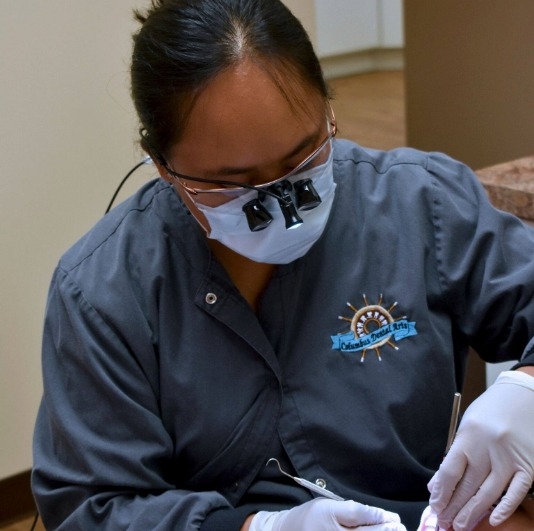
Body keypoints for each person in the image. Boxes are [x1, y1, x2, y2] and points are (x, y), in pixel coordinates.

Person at [31, 1, 534, 530]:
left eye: (302, 160)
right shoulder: (103, 293)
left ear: (328, 109)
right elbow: (93, 508)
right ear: (162, 164)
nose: (283, 206)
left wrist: (527, 388)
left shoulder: (419, 203)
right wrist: (255, 530)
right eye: (234, 183)